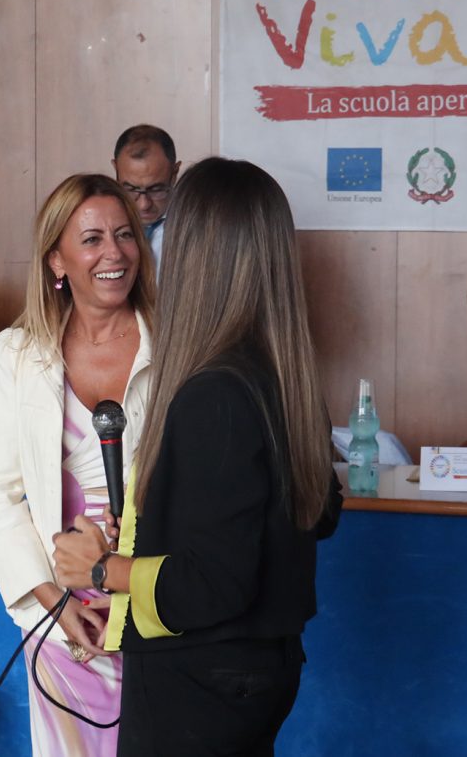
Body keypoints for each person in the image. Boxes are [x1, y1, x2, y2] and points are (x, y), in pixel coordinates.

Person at [53, 157, 343, 756]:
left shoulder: (214, 394)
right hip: (260, 668)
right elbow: (319, 511)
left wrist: (101, 570)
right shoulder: (285, 377)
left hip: (201, 679)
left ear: (192, 256)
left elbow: (214, 584)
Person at [0, 173, 155, 757]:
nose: (114, 254)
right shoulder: (18, 354)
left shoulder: (177, 343)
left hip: (153, 603)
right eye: (92, 239)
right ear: (57, 260)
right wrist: (51, 603)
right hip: (62, 619)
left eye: (125, 236)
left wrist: (127, 579)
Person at [112, 125, 181, 273]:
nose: (143, 205)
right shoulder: (104, 222)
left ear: (175, 173)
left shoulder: (195, 228)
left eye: (156, 189)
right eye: (131, 189)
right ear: (115, 169)